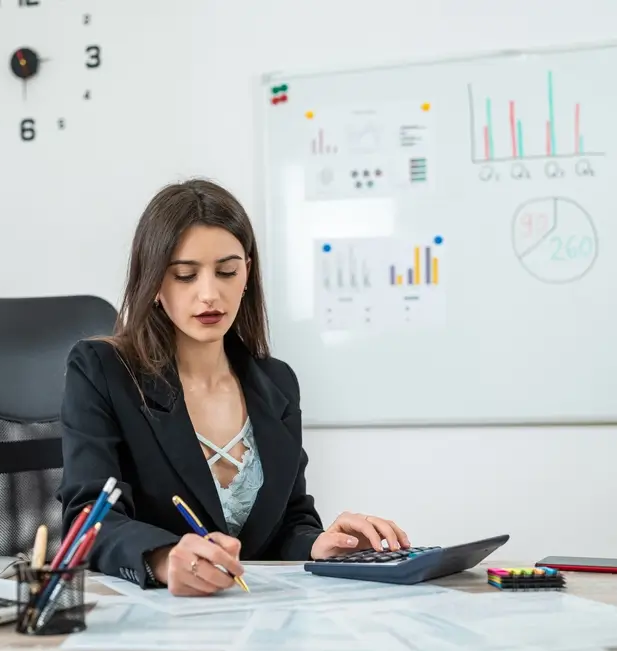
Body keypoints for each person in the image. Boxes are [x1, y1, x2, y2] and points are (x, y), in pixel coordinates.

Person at [58, 178, 410, 597]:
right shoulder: (102, 370)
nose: (210, 294)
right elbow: (88, 518)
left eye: (227, 271)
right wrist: (163, 559)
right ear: (153, 283)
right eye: (185, 275)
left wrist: (321, 544)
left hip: (256, 617)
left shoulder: (277, 383)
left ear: (247, 273)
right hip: (154, 618)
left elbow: (288, 523)